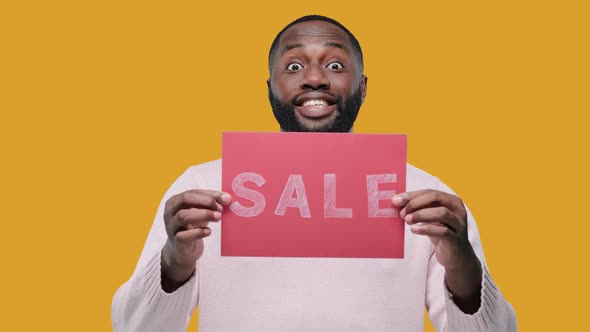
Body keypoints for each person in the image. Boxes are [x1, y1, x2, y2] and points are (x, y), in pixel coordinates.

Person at [112, 15, 517, 331]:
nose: (314, 79)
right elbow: (133, 329)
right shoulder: (200, 189)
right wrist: (173, 263)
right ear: (270, 87)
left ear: (363, 86)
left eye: (336, 64)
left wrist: (462, 265)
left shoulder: (427, 197)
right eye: (293, 66)